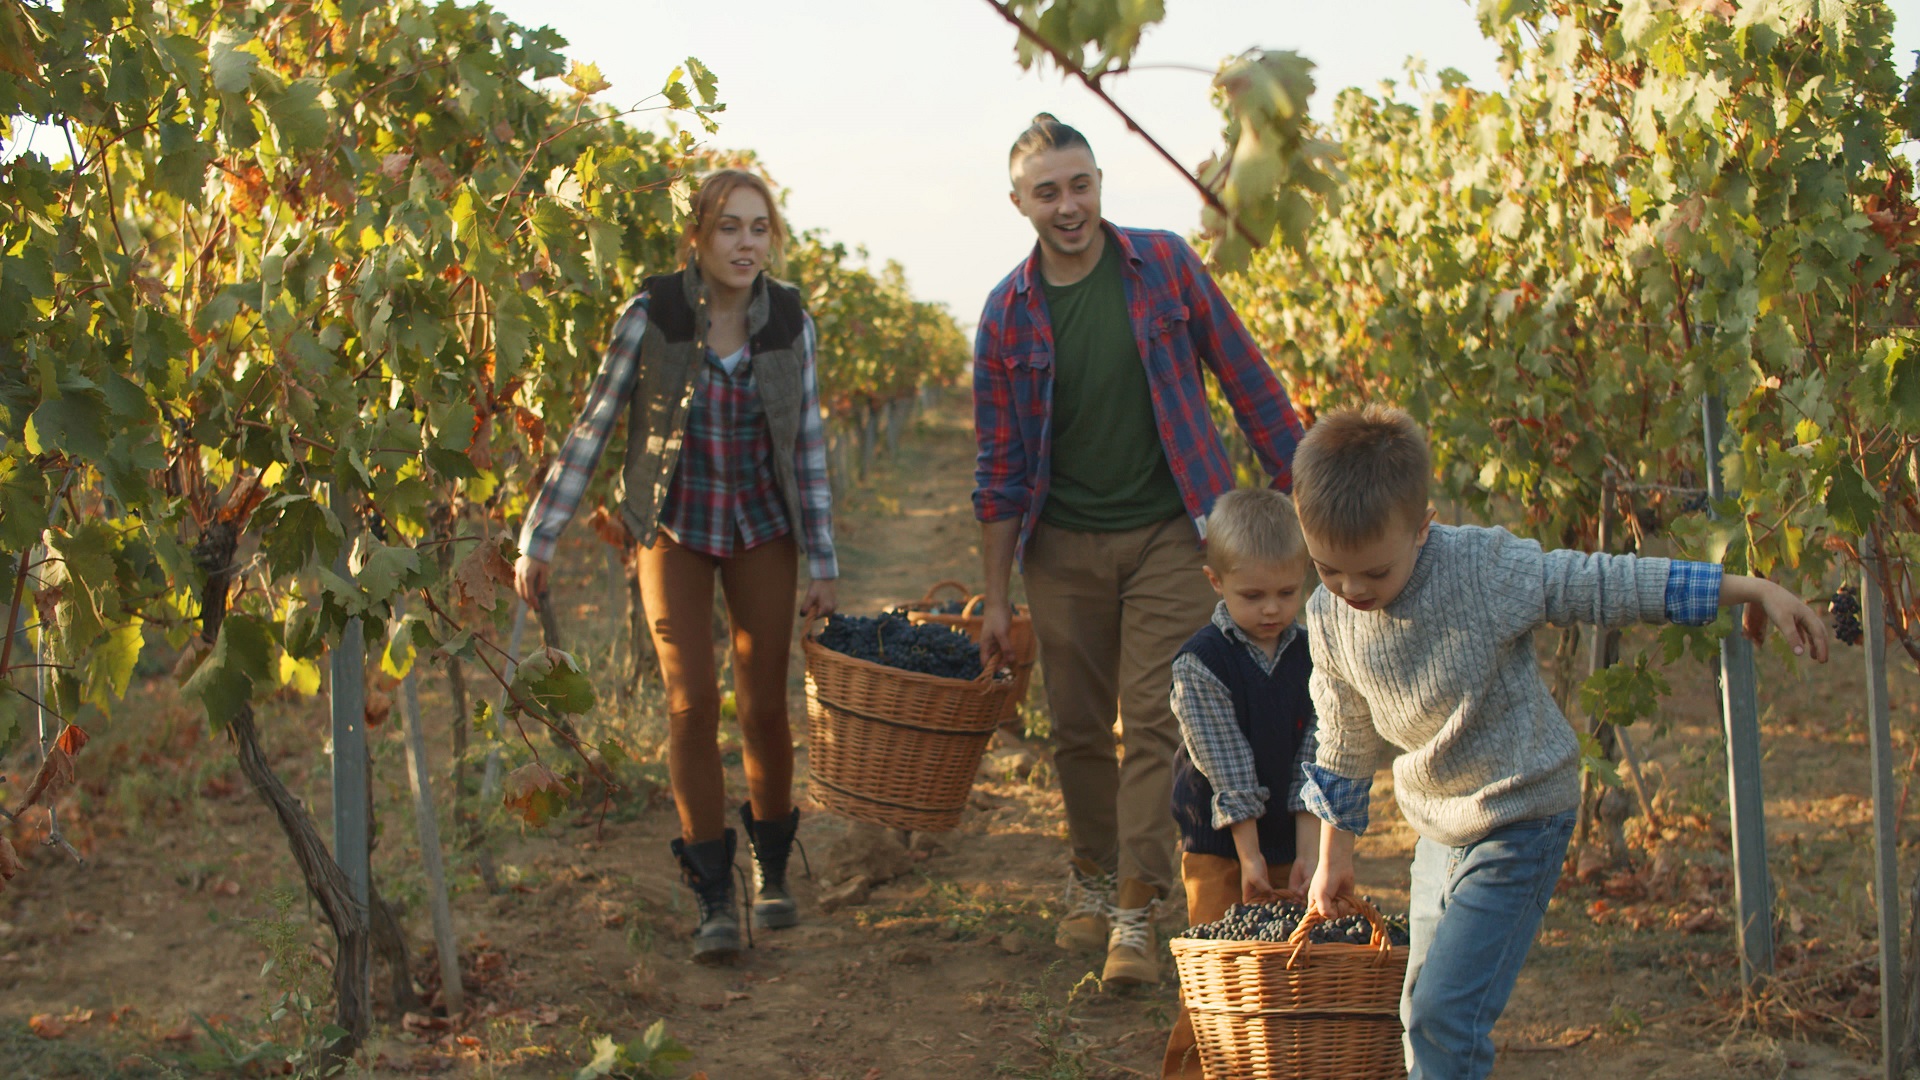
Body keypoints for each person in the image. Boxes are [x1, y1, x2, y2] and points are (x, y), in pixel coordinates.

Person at [1293, 405, 1829, 1078]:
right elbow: (1341, 739)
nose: (1350, 590)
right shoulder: (1329, 617)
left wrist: (1748, 588)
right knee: (1419, 1014)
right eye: (1328, 570)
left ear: (1424, 529)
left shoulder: (1481, 572)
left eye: (1373, 573)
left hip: (1522, 814)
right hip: (1440, 826)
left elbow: (1605, 584)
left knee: (1441, 1017)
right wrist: (1331, 857)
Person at [972, 113, 1306, 986]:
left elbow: (1247, 378)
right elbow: (1000, 471)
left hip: (1175, 531)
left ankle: (1134, 906)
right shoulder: (1006, 315)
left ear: (1098, 185)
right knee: (1079, 728)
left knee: (1158, 718)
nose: (1069, 204)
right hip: (1061, 547)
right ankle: (1089, 877)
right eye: (1048, 191)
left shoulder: (1163, 268)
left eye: (1080, 184)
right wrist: (998, 595)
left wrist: (1310, 492)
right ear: (1018, 204)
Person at [514, 168, 838, 963]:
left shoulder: (790, 320)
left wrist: (823, 557)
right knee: (691, 704)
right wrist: (541, 533)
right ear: (697, 233)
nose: (745, 243)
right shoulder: (652, 314)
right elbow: (593, 426)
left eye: (759, 228)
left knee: (763, 707)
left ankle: (771, 868)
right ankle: (712, 891)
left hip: (764, 530)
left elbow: (808, 447)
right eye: (729, 226)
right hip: (674, 530)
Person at [1161, 488, 1320, 1079]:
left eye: (1287, 593)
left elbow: (1315, 756)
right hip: (1222, 852)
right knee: (1216, 981)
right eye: (1253, 595)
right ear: (1215, 581)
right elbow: (1227, 767)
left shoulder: (1314, 657)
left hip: (1289, 843)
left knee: (1290, 981)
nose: (1273, 609)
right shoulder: (1202, 664)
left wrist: (1308, 855)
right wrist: (1249, 857)